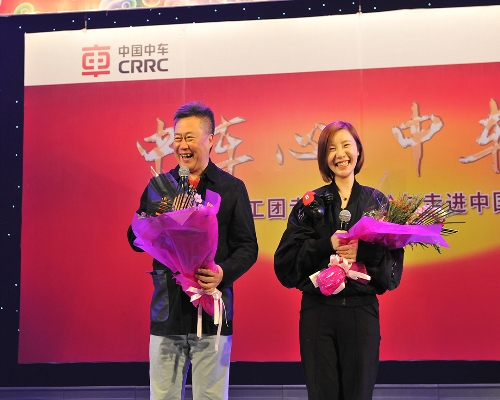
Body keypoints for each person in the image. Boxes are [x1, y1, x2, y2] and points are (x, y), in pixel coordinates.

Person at [127, 101, 258, 400]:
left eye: (190, 137)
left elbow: (248, 247)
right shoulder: (160, 187)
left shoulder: (231, 188)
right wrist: (153, 219)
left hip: (211, 313)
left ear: (210, 140)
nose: (182, 145)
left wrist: (222, 273)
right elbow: (134, 238)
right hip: (167, 312)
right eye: (177, 138)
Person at [274, 121, 404, 400]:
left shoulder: (378, 202)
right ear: (324, 157)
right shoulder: (310, 203)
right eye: (331, 148)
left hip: (361, 312)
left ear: (358, 151)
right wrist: (327, 244)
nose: (340, 154)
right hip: (318, 314)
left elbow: (392, 266)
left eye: (346, 145)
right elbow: (286, 262)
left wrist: (362, 254)